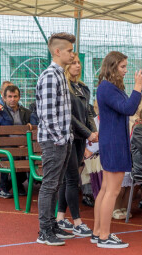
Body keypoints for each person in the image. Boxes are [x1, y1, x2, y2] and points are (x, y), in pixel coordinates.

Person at [94, 51, 142, 248]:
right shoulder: (107, 88)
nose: (125, 70)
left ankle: (98, 231)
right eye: (122, 67)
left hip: (112, 141)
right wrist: (138, 87)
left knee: (106, 189)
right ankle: (104, 235)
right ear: (112, 67)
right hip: (114, 142)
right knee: (112, 191)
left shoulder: (107, 87)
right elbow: (129, 108)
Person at [35, 32, 77, 246]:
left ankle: (51, 225)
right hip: (54, 140)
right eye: (69, 50)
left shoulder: (61, 74)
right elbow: (47, 114)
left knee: (56, 182)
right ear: (57, 51)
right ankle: (44, 231)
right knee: (50, 184)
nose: (72, 54)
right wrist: (60, 138)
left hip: (62, 139)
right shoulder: (51, 75)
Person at [55, 54, 97, 237]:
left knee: (68, 178)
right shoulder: (64, 87)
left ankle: (60, 217)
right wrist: (88, 133)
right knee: (73, 179)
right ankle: (78, 222)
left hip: (80, 138)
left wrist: (93, 131)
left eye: (79, 62)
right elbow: (68, 117)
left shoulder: (83, 87)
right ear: (66, 66)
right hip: (68, 137)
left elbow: (88, 112)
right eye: (73, 63)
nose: (77, 66)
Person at [0, 85, 31, 198]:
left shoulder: (26, 112)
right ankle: (3, 187)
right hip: (6, 146)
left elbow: (33, 126)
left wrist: (31, 126)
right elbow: (0, 134)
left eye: (15, 96)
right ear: (4, 98)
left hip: (24, 145)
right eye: (9, 96)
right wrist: (15, 144)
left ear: (19, 97)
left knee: (25, 157)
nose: (12, 99)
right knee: (9, 157)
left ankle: (17, 184)